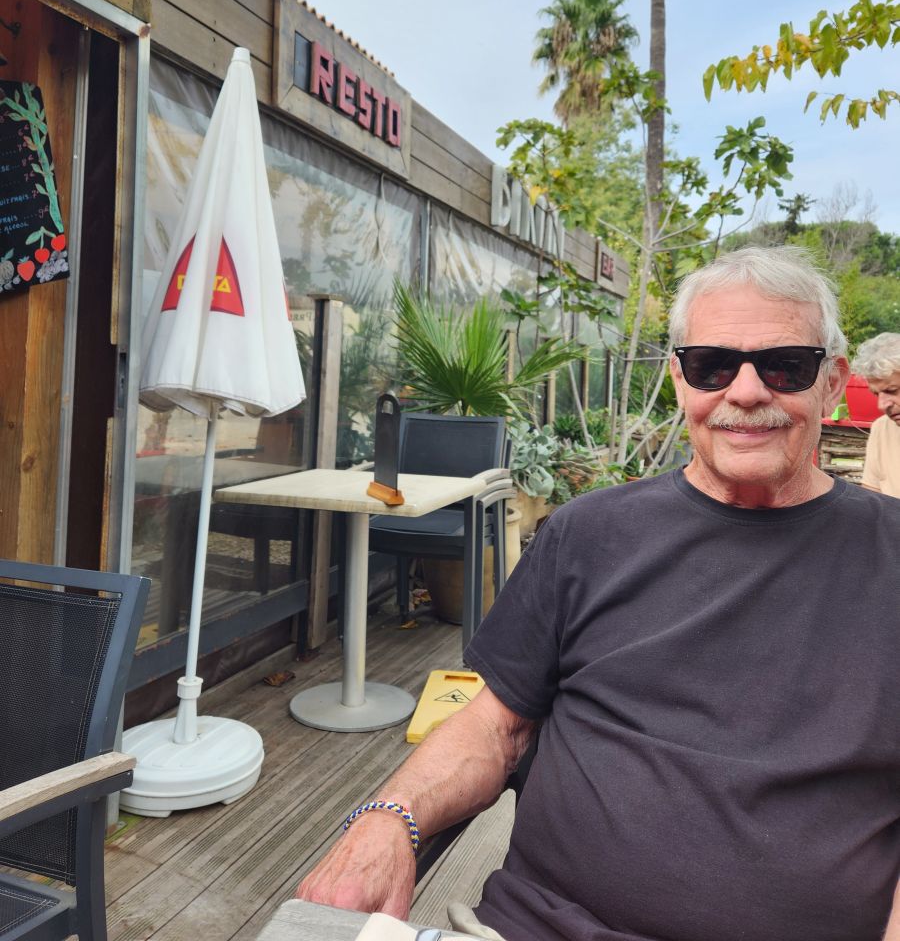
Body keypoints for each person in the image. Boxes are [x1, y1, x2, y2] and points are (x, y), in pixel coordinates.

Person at [297, 246, 900, 941]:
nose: (745, 392)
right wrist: (388, 817)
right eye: (711, 365)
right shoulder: (589, 533)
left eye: (784, 365)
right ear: (679, 380)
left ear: (832, 383)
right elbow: (495, 725)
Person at [853, 332, 900, 497]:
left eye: (892, 390)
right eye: (876, 394)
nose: (881, 405)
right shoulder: (881, 428)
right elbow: (872, 497)